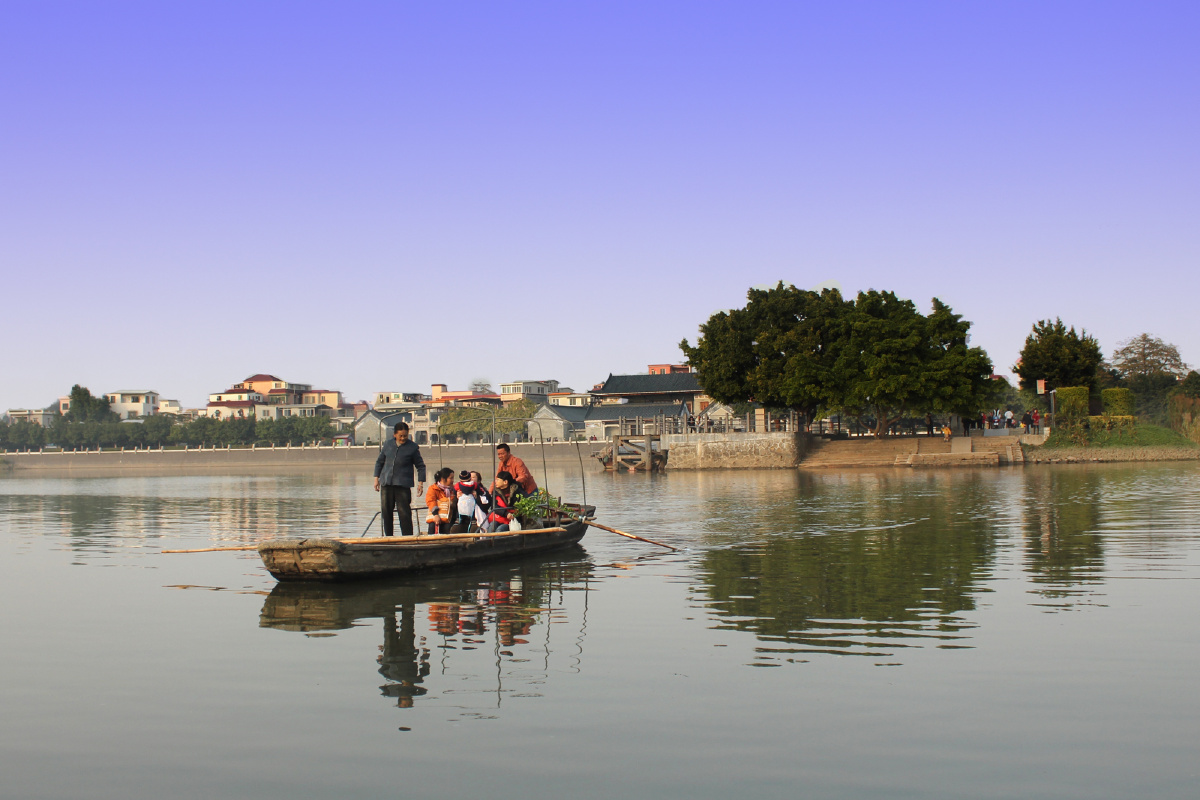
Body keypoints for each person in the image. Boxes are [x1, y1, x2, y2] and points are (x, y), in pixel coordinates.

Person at [374, 422, 426, 537]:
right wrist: (376, 479)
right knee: (386, 512)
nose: (403, 438)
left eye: (405, 436)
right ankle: (388, 538)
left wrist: (420, 483)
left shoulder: (412, 447)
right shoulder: (387, 445)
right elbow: (379, 462)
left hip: (403, 485)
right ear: (394, 435)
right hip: (386, 483)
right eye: (400, 436)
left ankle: (407, 538)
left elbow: (421, 466)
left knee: (404, 513)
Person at [425, 467, 456, 535]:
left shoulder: (454, 489)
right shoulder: (433, 488)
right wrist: (436, 515)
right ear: (443, 479)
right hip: (436, 514)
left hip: (450, 516)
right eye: (451, 478)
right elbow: (431, 501)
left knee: (448, 528)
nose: (453, 480)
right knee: (432, 526)